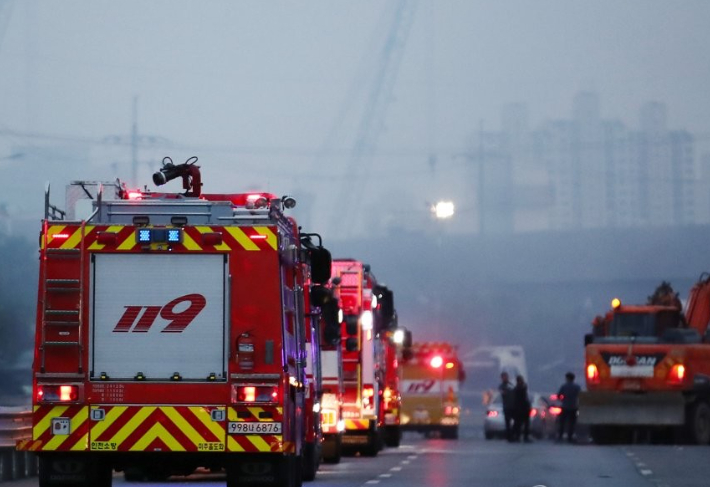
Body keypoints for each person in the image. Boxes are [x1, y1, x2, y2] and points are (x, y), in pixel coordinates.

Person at [557, 371, 581, 442]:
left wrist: (563, 399)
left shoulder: (564, 386)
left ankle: (560, 436)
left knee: (562, 422)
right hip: (574, 406)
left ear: (567, 378)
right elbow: (580, 395)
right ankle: (570, 437)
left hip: (565, 406)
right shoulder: (577, 387)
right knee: (572, 422)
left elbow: (559, 395)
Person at [512, 375, 532, 442]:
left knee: (519, 424)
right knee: (522, 423)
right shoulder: (520, 389)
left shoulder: (516, 389)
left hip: (520, 409)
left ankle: (517, 436)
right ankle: (522, 437)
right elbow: (523, 398)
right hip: (522, 409)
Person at [498, 371, 515, 441]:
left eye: (506, 377)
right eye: (504, 377)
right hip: (507, 406)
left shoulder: (511, 385)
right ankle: (509, 436)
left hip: (513, 406)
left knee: (515, 421)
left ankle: (512, 434)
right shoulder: (502, 386)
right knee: (507, 422)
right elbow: (503, 393)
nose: (505, 378)